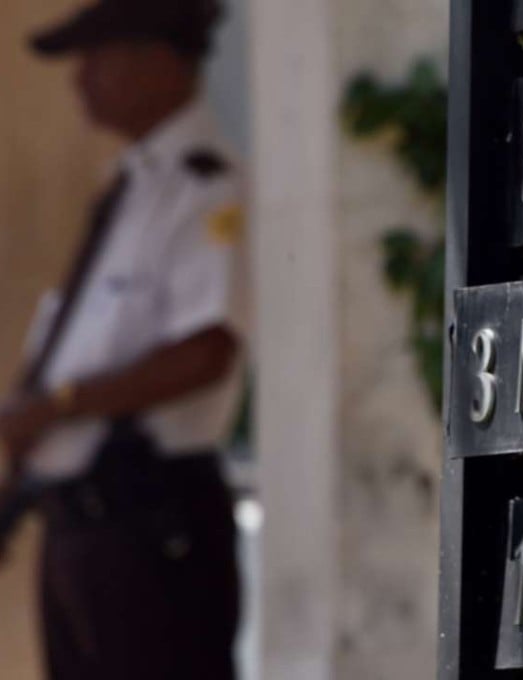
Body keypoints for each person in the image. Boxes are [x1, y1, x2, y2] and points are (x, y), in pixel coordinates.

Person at [0, 0, 248, 677]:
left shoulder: (203, 184)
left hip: (151, 519)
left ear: (158, 61)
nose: (81, 82)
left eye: (97, 60)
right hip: (82, 521)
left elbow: (205, 351)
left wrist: (56, 406)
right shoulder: (134, 188)